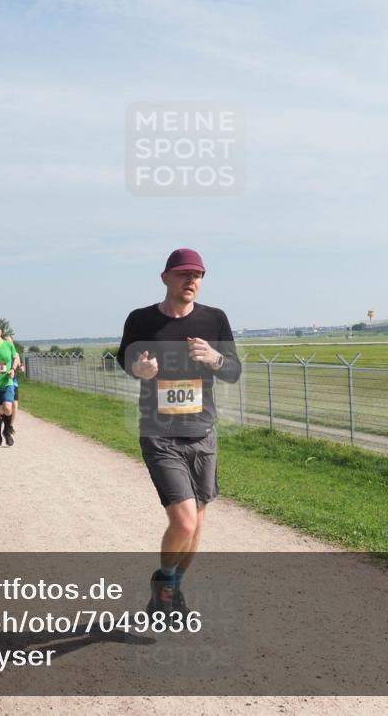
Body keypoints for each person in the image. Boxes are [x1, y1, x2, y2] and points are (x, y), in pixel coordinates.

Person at [116, 249, 241, 618]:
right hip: (159, 433)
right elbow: (125, 360)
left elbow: (233, 370)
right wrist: (139, 368)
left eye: (198, 274)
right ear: (165, 278)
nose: (192, 281)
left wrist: (215, 359)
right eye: (184, 274)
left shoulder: (214, 319)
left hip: (202, 432)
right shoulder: (141, 319)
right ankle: (165, 579)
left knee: (198, 520)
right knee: (184, 520)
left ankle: (172, 590)